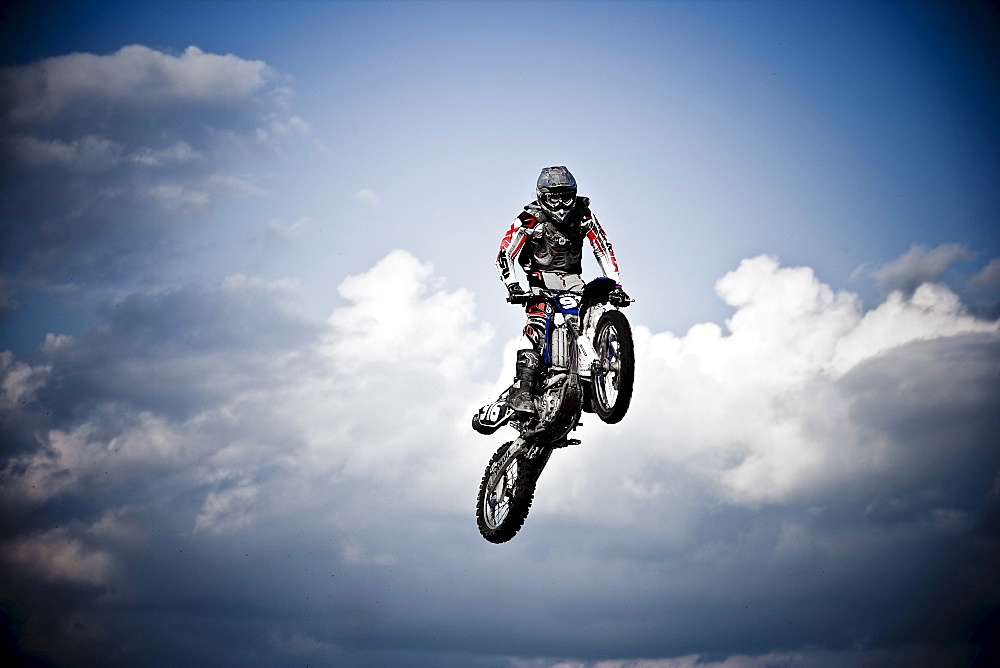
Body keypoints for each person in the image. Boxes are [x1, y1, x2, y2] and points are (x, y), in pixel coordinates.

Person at [496, 166, 630, 414]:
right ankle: (522, 387)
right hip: (540, 282)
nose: (560, 205)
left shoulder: (584, 214)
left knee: (594, 315)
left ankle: (596, 379)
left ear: (574, 194)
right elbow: (505, 254)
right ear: (541, 197)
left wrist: (616, 284)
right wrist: (513, 286)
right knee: (538, 320)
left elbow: (603, 247)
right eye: (553, 198)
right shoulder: (529, 218)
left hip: (574, 281)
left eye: (565, 197)